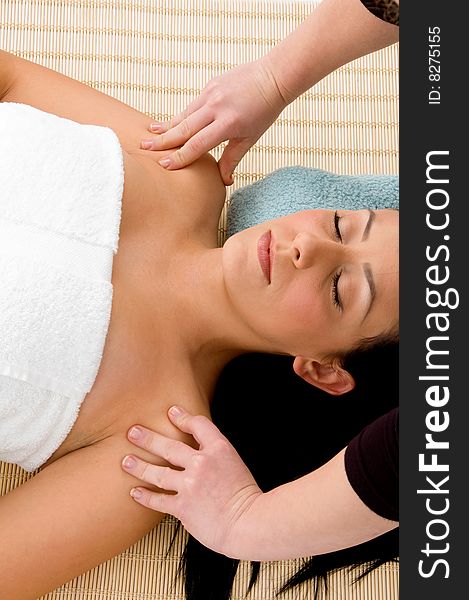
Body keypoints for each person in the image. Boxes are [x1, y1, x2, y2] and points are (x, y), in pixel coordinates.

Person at [0, 47, 398, 600]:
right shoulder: (187, 172)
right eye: (340, 222)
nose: (308, 246)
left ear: (324, 370)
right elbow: (10, 76)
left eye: (342, 289)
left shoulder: (153, 449)